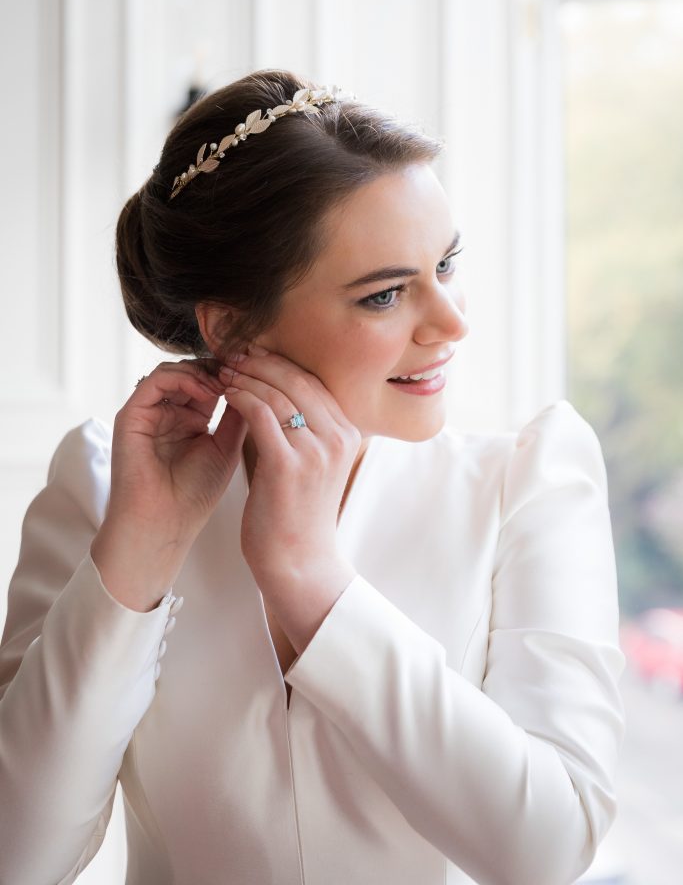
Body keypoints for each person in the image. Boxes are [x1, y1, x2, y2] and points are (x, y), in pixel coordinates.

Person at [0, 69, 625, 885]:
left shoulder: (527, 484)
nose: (450, 322)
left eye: (446, 264)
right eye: (384, 295)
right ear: (230, 327)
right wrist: (138, 557)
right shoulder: (101, 484)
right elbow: (19, 857)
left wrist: (312, 580)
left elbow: (548, 849)